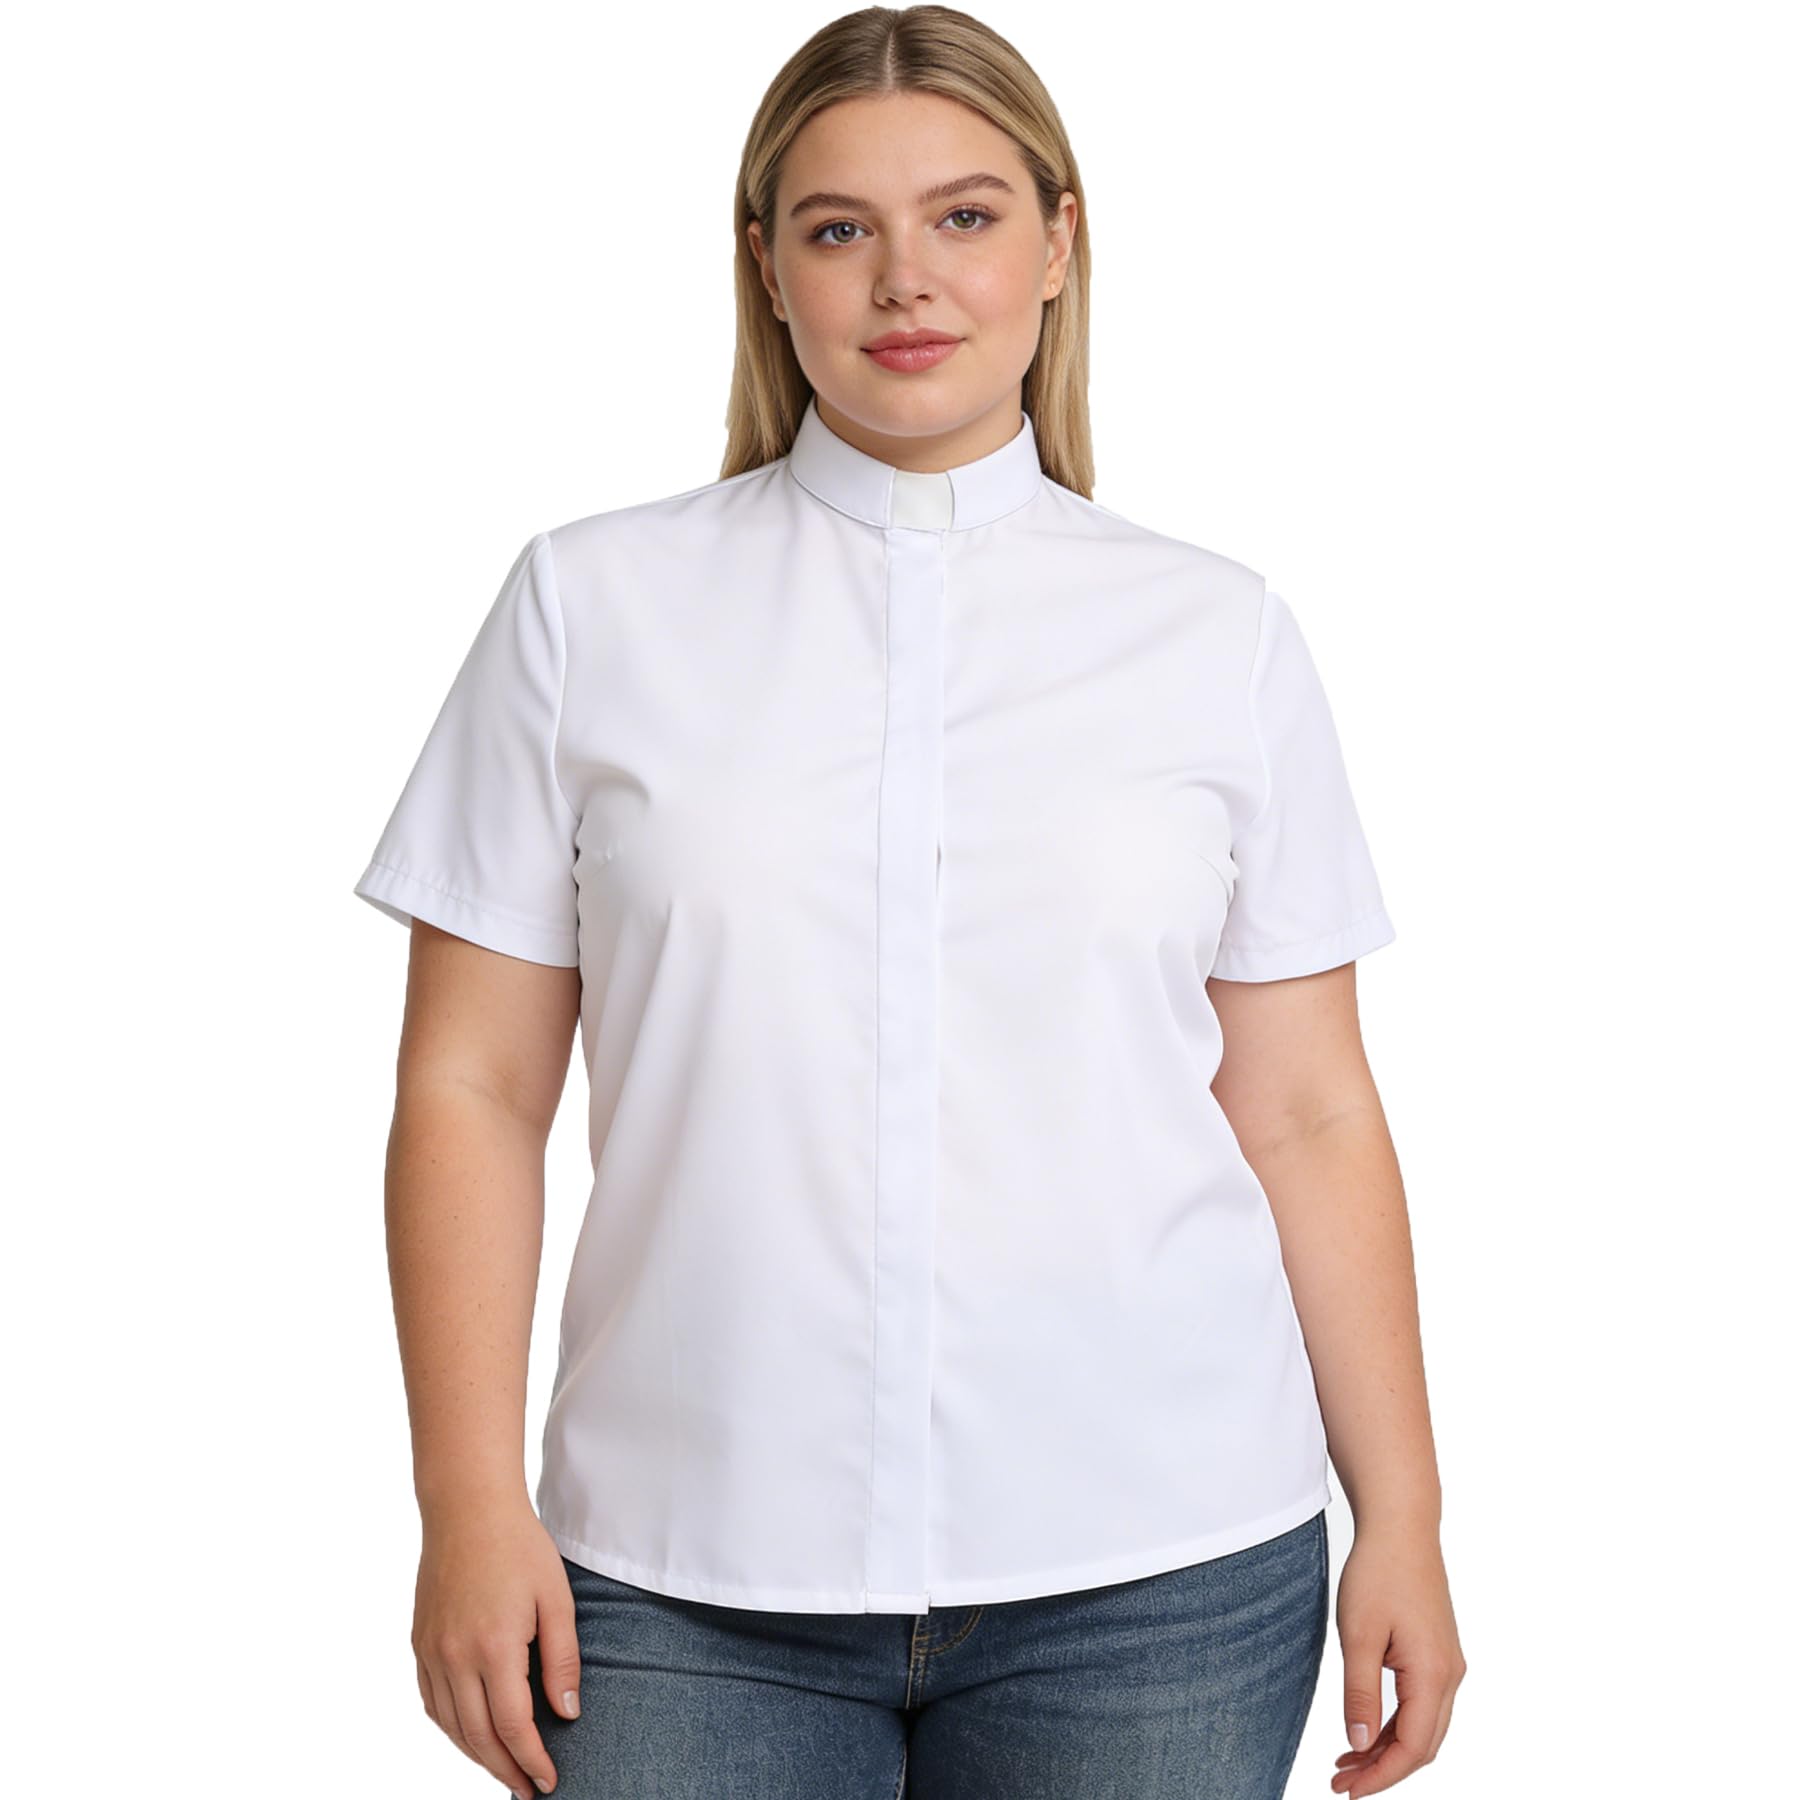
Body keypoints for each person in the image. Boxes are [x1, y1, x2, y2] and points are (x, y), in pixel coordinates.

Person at [352, 7, 1465, 1796]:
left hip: (1160, 1567)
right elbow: (470, 1089)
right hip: (676, 1572)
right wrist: (466, 1504)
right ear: (764, 267)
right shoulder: (587, 610)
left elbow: (1311, 1108)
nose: (904, 280)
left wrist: (1403, 1510)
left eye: (963, 216)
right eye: (837, 227)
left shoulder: (1220, 635)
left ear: (1059, 244)